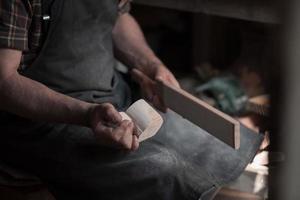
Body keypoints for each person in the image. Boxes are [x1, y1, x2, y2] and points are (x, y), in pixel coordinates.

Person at [0, 0, 262, 199]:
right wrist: (86, 115)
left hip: (113, 96)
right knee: (164, 170)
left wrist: (151, 65)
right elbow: (4, 82)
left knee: (223, 142)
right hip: (43, 121)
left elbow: (118, 19)